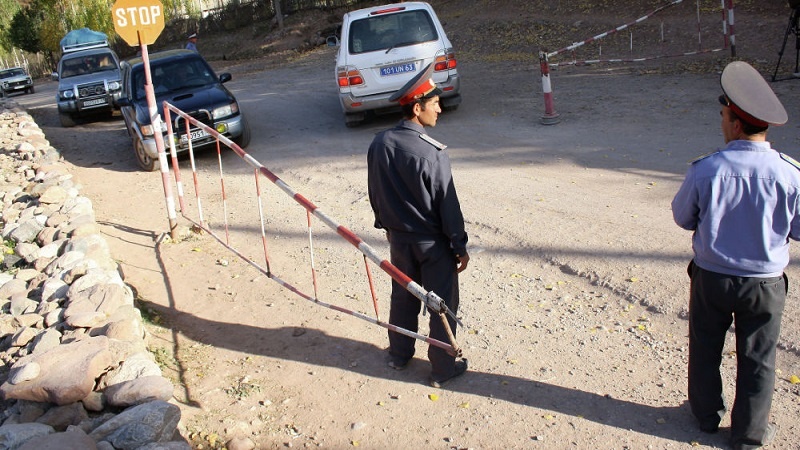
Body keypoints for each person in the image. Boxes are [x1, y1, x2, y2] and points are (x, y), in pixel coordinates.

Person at [671, 60, 798, 450]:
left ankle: (707, 416)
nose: (723, 122)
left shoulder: (706, 169)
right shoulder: (792, 174)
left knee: (706, 345)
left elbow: (682, 217)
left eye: (725, 116)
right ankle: (749, 434)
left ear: (737, 124)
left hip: (712, 276)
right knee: (759, 357)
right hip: (765, 283)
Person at [367, 63, 470, 388]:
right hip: (432, 245)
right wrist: (459, 245)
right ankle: (441, 369)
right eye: (434, 103)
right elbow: (447, 206)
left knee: (403, 297)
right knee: (441, 306)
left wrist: (386, 225)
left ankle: (398, 355)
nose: (439, 108)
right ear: (417, 107)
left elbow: (375, 193)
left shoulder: (379, 144)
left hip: (399, 241)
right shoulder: (432, 153)